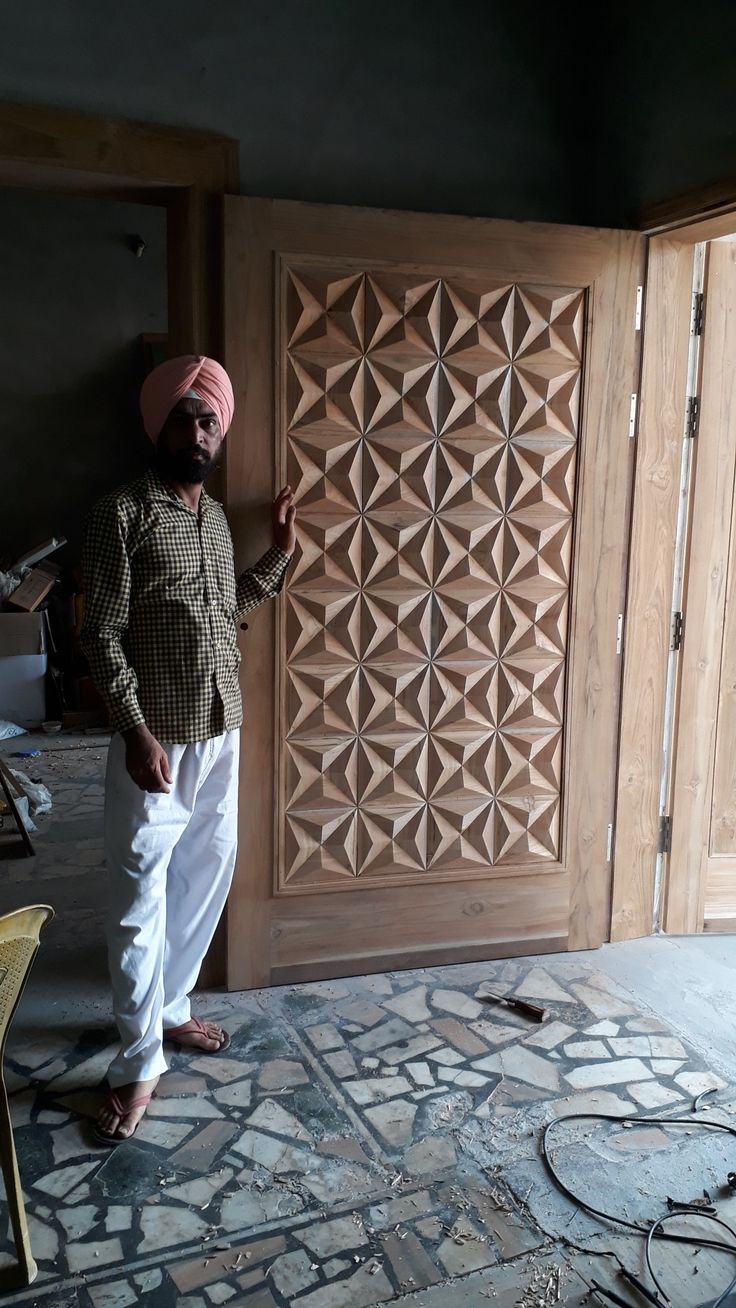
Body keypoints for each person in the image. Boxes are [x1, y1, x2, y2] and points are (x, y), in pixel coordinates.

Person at [81, 354, 296, 1145]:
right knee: (141, 897)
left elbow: (219, 608)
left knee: (207, 875)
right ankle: (136, 1063)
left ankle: (170, 1011)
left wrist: (275, 556)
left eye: (209, 419)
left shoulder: (210, 521)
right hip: (156, 740)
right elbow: (99, 632)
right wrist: (134, 729)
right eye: (184, 417)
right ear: (158, 426)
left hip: (222, 730)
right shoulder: (122, 515)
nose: (198, 431)